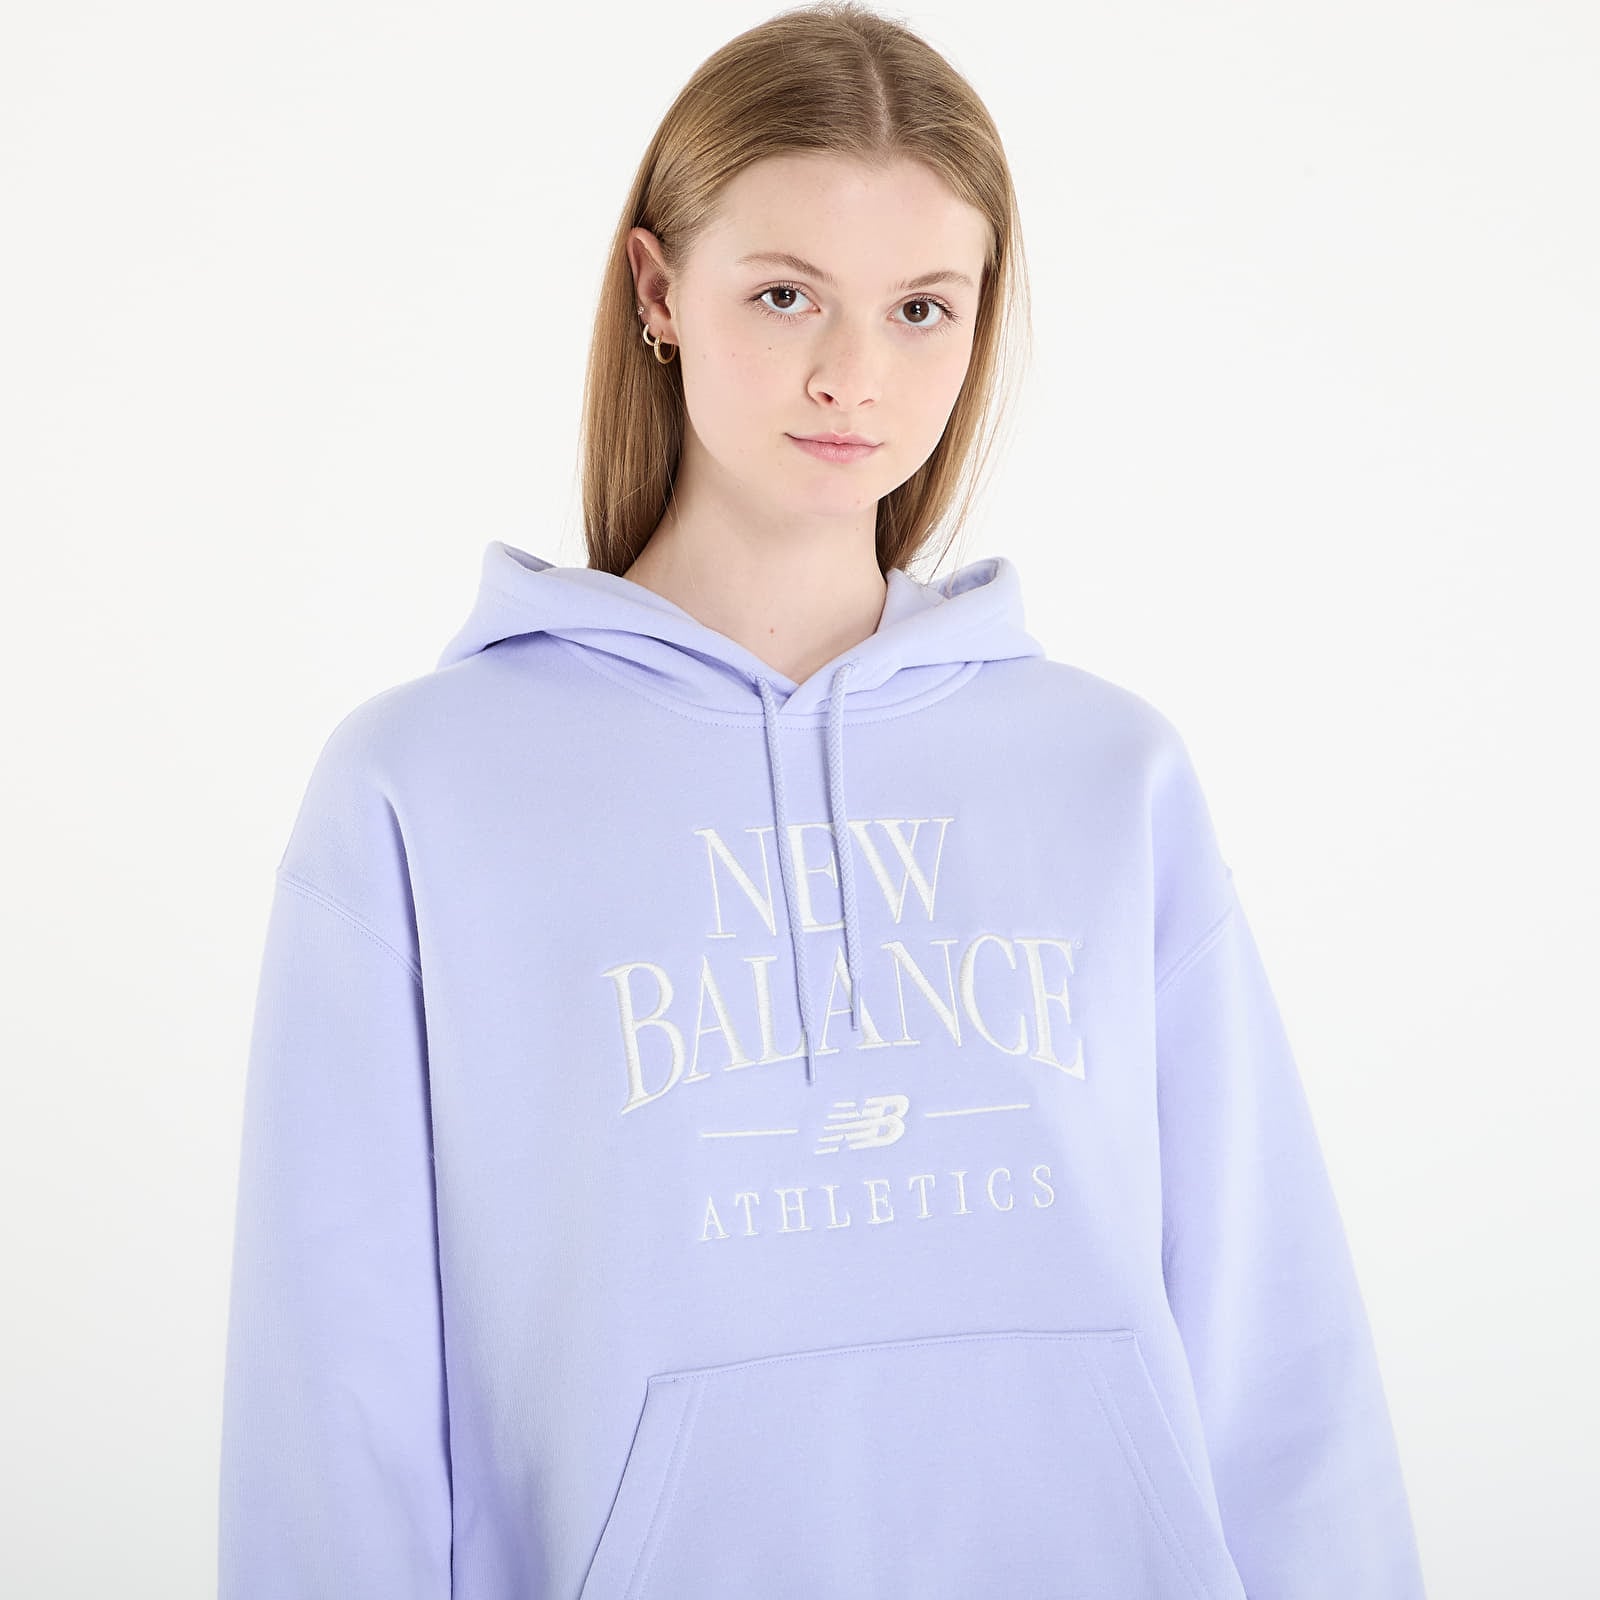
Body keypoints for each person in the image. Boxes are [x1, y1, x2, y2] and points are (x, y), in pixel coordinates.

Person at [216, 4, 1428, 1596]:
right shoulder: (423, 789)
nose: (855, 375)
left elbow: (1276, 1346)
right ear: (659, 291)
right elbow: (335, 1396)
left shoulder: (1109, 774)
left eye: (922, 308)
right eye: (785, 294)